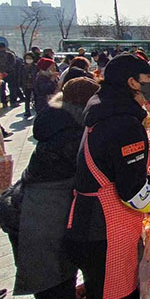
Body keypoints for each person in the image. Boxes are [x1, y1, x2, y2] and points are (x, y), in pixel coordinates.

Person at [65, 54, 150, 299]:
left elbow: (127, 175)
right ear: (133, 83)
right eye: (148, 78)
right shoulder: (124, 124)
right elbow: (134, 193)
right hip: (103, 230)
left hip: (89, 224)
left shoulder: (104, 109)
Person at [0, 78, 100, 299]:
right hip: (38, 221)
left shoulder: (59, 119)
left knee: (59, 282)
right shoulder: (71, 133)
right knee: (53, 285)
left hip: (30, 210)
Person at [0, 43, 18, 108]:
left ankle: (4, 102)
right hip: (10, 73)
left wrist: (2, 72)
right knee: (12, 88)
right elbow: (13, 64)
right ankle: (13, 102)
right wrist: (7, 71)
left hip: (0, 74)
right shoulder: (10, 54)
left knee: (2, 89)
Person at [21, 52, 37, 118]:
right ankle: (27, 111)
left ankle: (37, 109)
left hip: (35, 84)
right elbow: (20, 76)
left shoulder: (36, 67)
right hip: (26, 84)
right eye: (27, 58)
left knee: (36, 97)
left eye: (30, 58)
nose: (28, 60)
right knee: (27, 98)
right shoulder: (22, 67)